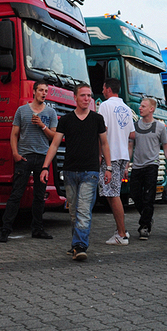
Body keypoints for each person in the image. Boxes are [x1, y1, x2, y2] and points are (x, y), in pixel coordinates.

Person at [41, 83, 111, 261]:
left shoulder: (97, 119)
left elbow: (104, 144)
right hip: (70, 172)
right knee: (73, 211)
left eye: (89, 96)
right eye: (83, 95)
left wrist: (108, 167)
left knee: (84, 210)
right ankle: (75, 244)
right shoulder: (65, 120)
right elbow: (55, 145)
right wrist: (44, 167)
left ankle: (80, 245)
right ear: (75, 97)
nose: (87, 99)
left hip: (91, 172)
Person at [0, 81, 57, 243]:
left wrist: (42, 125)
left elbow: (55, 137)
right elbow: (14, 134)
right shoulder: (22, 111)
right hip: (24, 157)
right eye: (41, 90)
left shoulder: (50, 113)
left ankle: (37, 229)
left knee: (39, 196)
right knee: (16, 194)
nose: (44, 93)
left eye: (46, 91)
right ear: (34, 92)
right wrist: (15, 153)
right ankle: (5, 230)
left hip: (43, 159)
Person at [96, 78, 135, 246]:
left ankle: (121, 234)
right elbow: (132, 135)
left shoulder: (105, 106)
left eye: (104, 88)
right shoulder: (127, 108)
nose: (103, 91)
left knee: (113, 195)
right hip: (122, 154)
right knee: (113, 193)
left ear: (108, 89)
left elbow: (101, 130)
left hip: (110, 154)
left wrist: (100, 154)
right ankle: (121, 230)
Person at [129, 97, 167, 240]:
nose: (140, 108)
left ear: (151, 109)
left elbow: (165, 146)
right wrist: (127, 163)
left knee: (149, 197)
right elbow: (130, 146)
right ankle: (147, 216)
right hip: (137, 166)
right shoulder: (134, 126)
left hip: (152, 165)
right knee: (134, 194)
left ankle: (144, 226)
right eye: (140, 106)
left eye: (143, 106)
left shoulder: (160, 127)